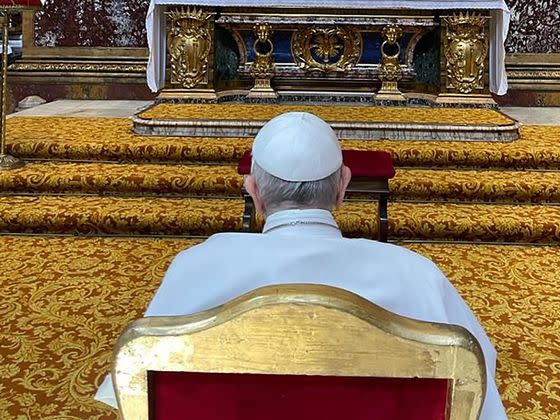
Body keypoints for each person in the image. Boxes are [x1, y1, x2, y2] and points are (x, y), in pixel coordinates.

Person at [96, 112, 506, 419]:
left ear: (253, 192)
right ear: (344, 187)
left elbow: (137, 387)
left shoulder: (195, 266)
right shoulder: (417, 275)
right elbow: (476, 383)